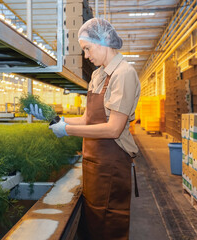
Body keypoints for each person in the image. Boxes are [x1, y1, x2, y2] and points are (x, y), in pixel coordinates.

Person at [25, 18, 140, 240]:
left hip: (112, 165)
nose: (86, 56)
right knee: (94, 226)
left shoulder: (123, 74)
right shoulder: (98, 75)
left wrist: (66, 130)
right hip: (94, 165)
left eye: (87, 48)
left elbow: (113, 129)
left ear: (103, 40)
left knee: (109, 226)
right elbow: (88, 118)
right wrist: (54, 118)